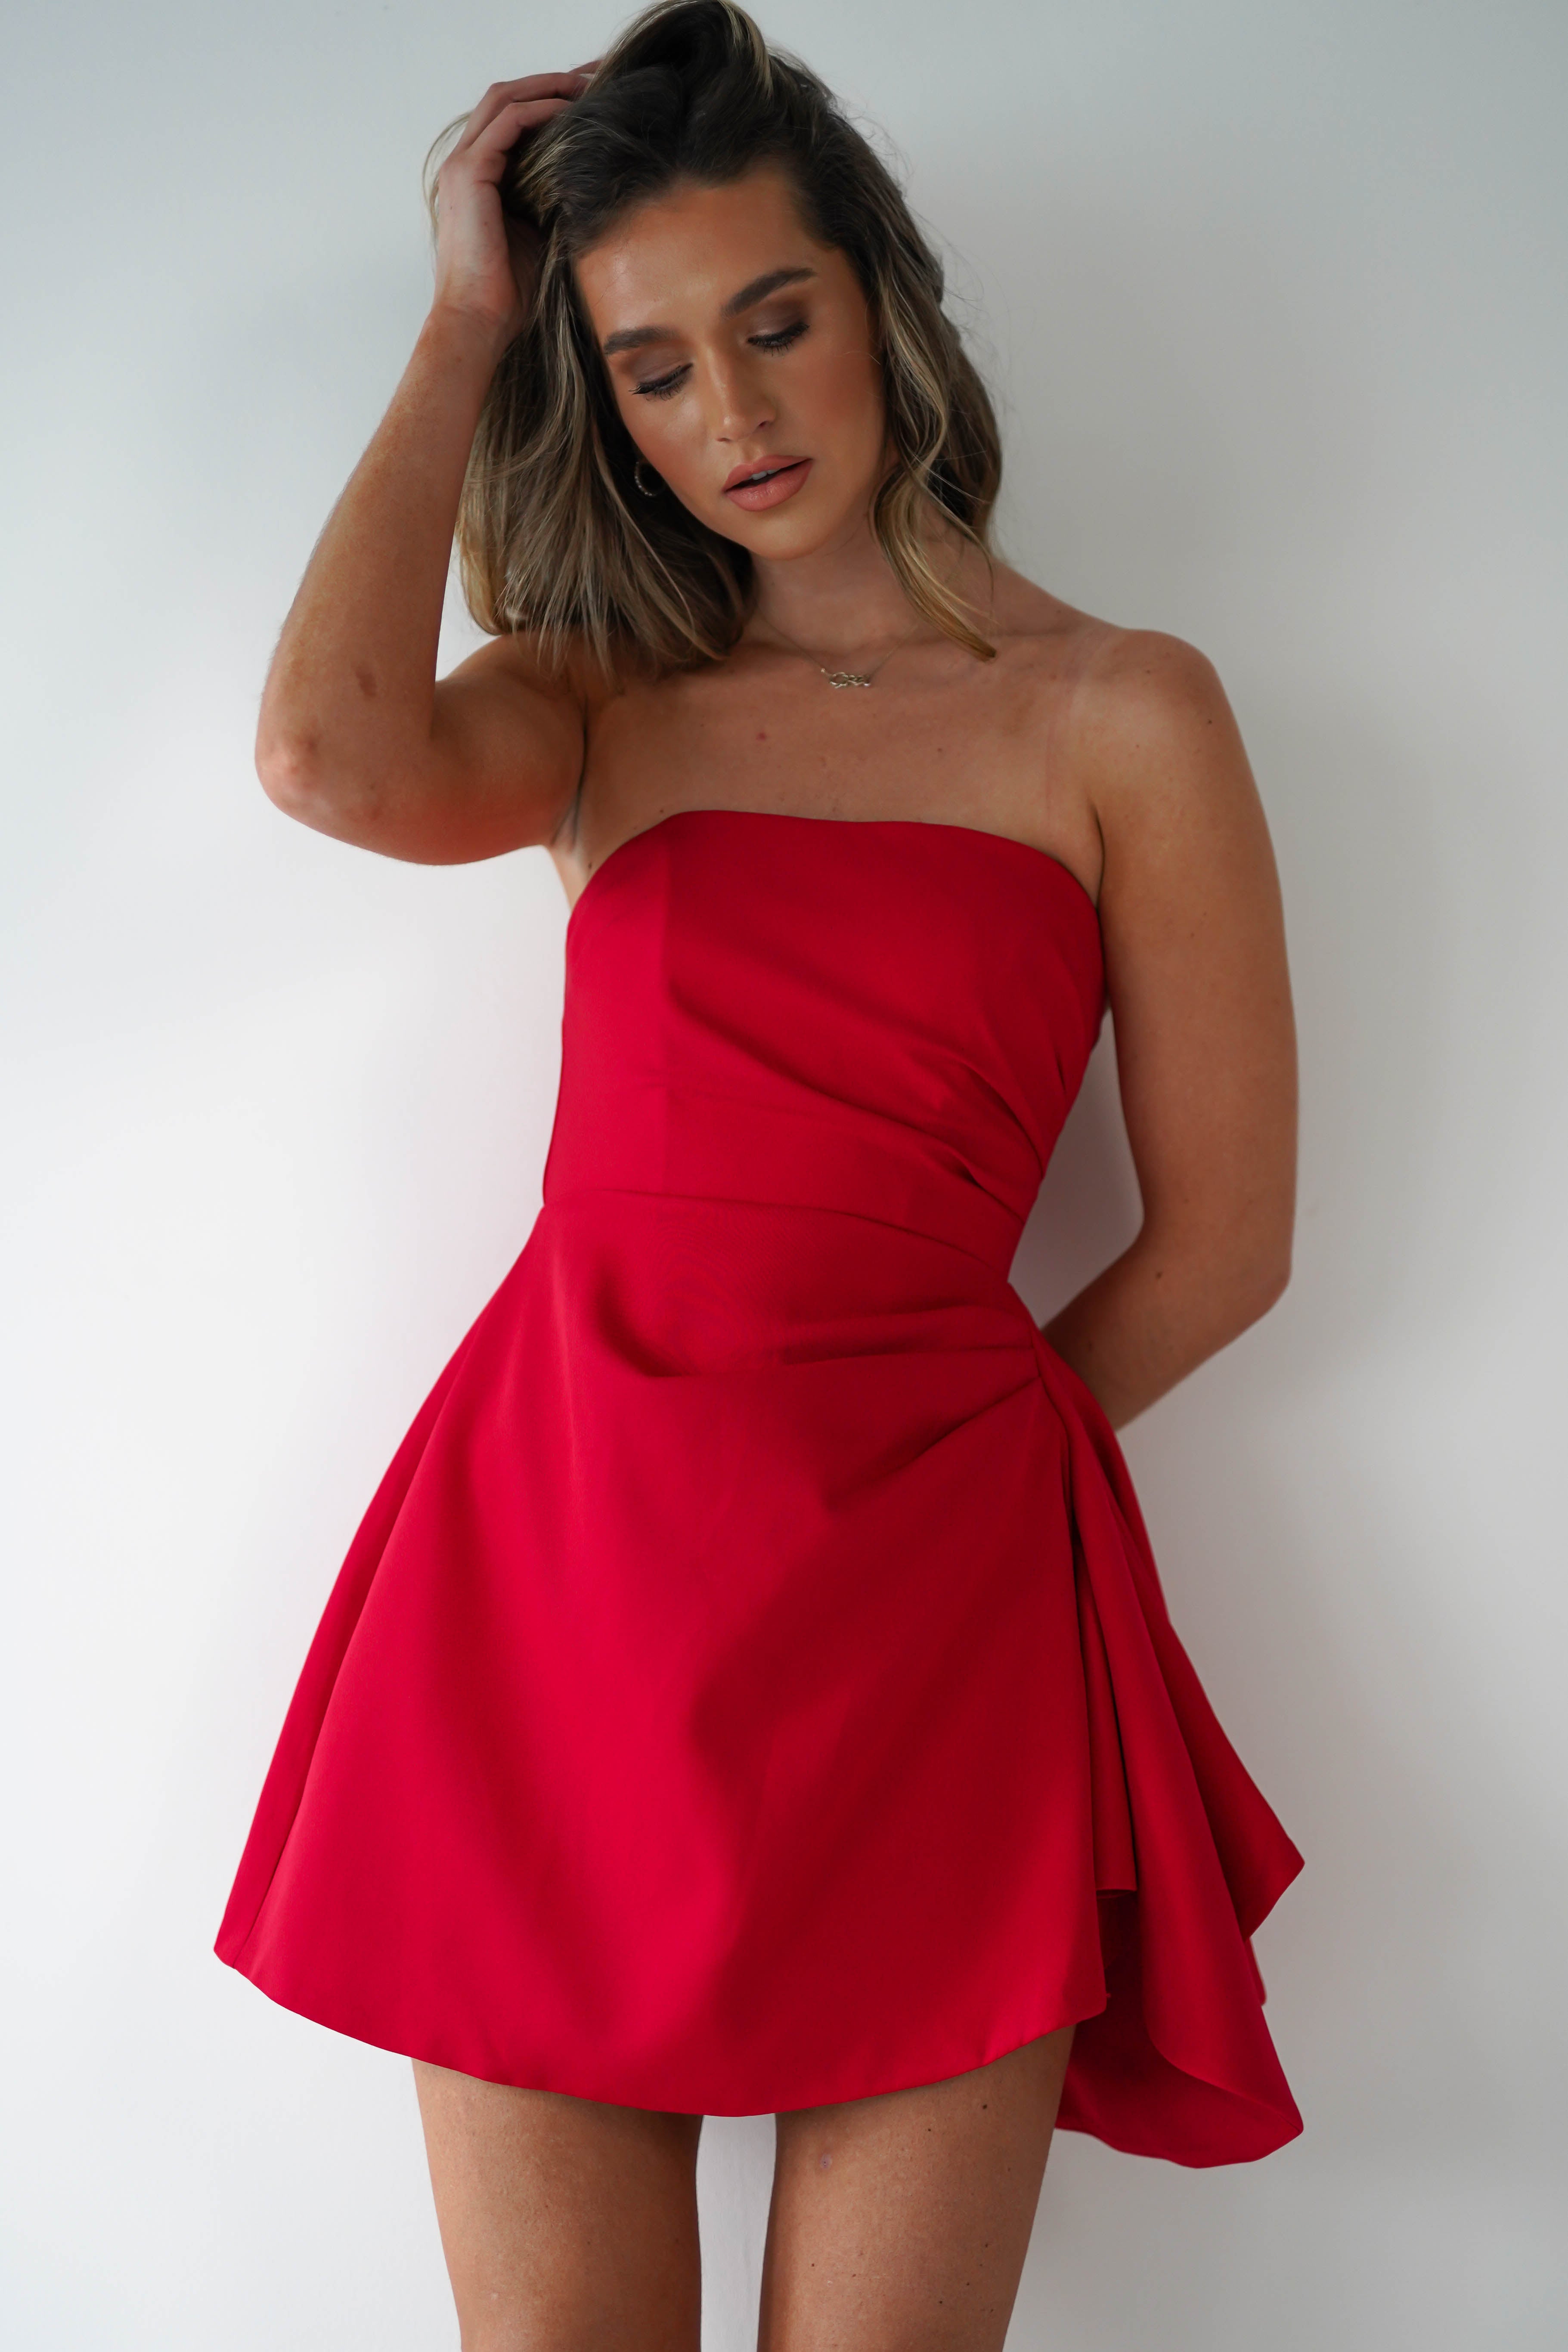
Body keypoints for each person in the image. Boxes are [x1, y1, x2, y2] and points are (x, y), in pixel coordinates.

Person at [216, 4, 1304, 2343]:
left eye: (776, 322)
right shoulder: (602, 691)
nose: (736, 414)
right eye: (655, 366)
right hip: (558, 1588)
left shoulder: (1125, 712)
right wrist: (459, 328)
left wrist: (926, 1474)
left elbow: (1222, 1244)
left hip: (933, 1645)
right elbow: (326, 751)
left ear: (883, 295)